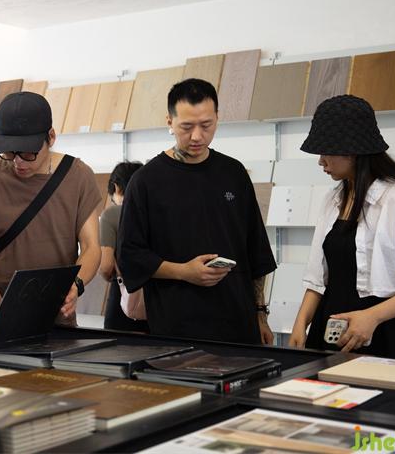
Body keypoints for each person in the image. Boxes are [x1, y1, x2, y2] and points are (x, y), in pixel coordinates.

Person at [117, 78, 276, 344]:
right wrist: (184, 271)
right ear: (169, 122)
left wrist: (260, 314)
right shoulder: (146, 182)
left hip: (238, 325)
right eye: (187, 127)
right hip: (176, 327)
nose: (197, 136)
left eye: (206, 125)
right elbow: (130, 255)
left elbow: (256, 251)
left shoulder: (234, 173)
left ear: (217, 118)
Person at [288, 95, 395, 359]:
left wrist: (372, 316)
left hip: (384, 335)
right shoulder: (333, 199)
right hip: (327, 333)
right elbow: (319, 276)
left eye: (326, 152)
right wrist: (301, 321)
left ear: (352, 151)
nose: (321, 161)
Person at [0, 91, 102, 332]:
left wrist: (76, 285)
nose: (18, 162)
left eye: (28, 153)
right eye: (9, 152)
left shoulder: (79, 176)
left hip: (56, 319)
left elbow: (91, 247)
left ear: (51, 137)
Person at [98, 161, 149, 332]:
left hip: (125, 299)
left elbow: (106, 266)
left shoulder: (111, 214)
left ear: (116, 187)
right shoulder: (157, 212)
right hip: (158, 300)